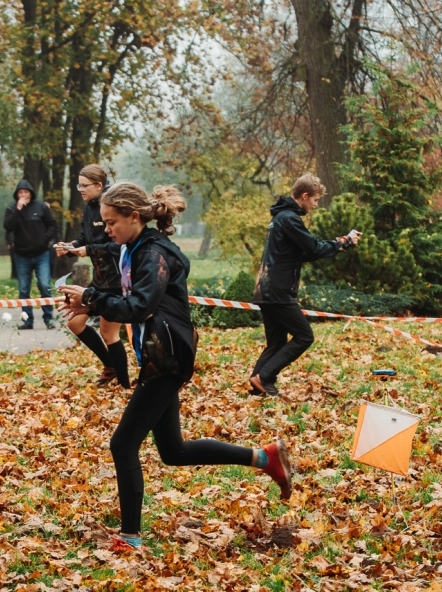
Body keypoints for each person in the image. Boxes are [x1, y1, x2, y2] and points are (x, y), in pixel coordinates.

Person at [58, 183, 293, 552]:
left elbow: (140, 306)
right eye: (104, 223)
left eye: (111, 222)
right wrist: (93, 305)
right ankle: (264, 458)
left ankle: (130, 538)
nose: (107, 229)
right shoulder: (134, 248)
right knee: (173, 451)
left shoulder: (154, 254)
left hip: (169, 359)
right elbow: (129, 300)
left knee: (122, 445)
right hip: (158, 357)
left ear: (134, 217)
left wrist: (90, 296)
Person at [248, 174, 359, 396]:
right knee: (304, 336)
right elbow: (314, 248)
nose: (316, 205)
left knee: (276, 343)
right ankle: (264, 377)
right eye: (315, 200)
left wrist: (337, 245)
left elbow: (303, 253)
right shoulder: (289, 218)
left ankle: (258, 387)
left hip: (266, 288)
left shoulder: (281, 218)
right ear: (305, 196)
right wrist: (344, 243)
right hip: (278, 291)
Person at [54, 164, 130, 387]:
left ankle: (125, 386)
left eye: (84, 185)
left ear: (99, 185)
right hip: (99, 279)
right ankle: (111, 367)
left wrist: (89, 250)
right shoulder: (88, 207)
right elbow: (83, 238)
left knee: (109, 333)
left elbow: (118, 243)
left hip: (117, 279)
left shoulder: (112, 206)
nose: (80, 189)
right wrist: (70, 246)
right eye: (78, 185)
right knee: (75, 323)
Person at [3, 179, 59, 329]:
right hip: (22, 255)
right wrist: (18, 209)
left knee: (44, 285)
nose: (23, 195)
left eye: (26, 192)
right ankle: (27, 320)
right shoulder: (11, 209)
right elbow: (8, 226)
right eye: (20, 193)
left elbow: (53, 224)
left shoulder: (41, 207)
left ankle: (49, 318)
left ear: (31, 193)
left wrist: (45, 238)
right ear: (17, 195)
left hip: (41, 254)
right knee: (23, 289)